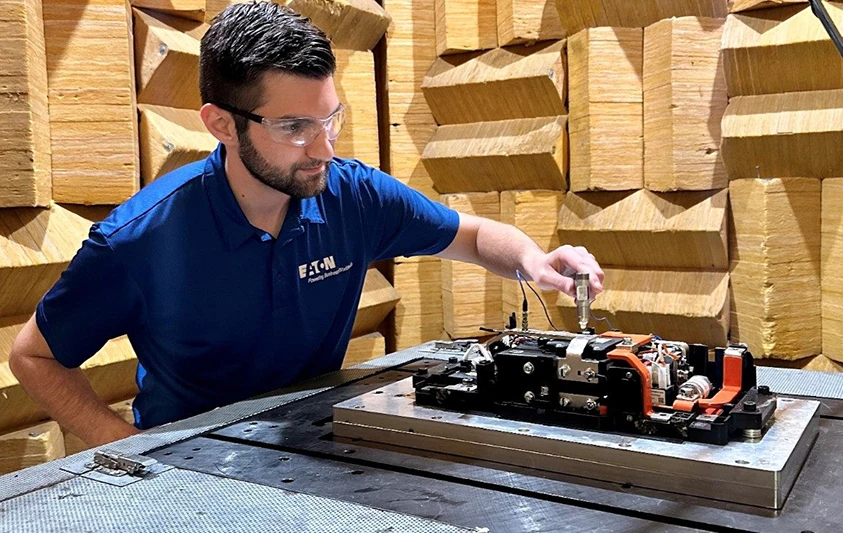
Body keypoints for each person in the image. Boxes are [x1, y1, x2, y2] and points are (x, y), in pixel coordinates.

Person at [8, 2, 604, 447]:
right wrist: (133, 453)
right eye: (295, 127)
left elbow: (471, 236)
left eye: (331, 118)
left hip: (316, 449)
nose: (323, 147)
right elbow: (34, 356)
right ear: (220, 124)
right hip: (194, 469)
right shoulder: (140, 240)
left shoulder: (356, 195)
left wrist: (535, 260)